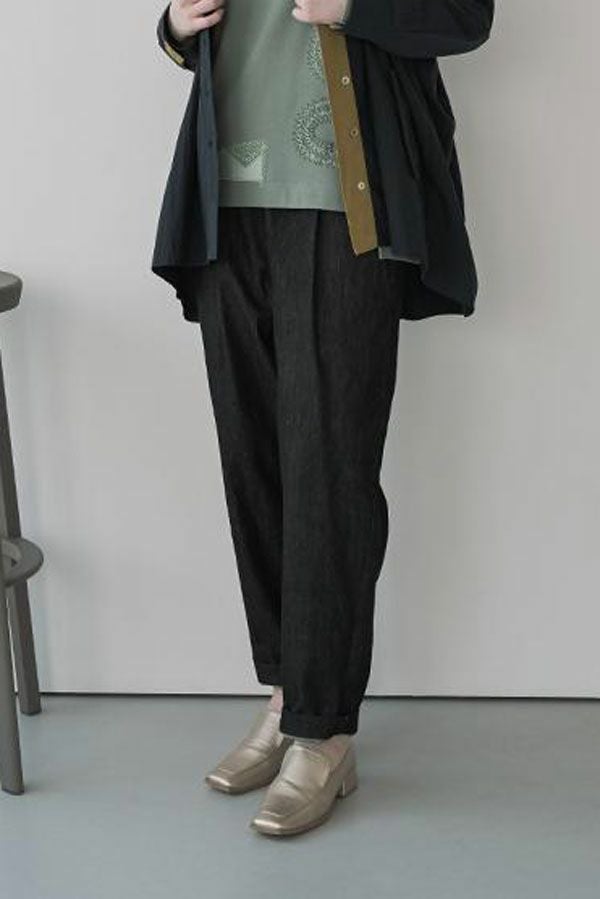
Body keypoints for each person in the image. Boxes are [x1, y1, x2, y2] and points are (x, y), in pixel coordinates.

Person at [152, 0, 494, 837]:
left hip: (345, 206)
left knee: (329, 466)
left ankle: (325, 731)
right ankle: (286, 695)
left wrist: (355, 8)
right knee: (255, 463)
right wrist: (174, 27)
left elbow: (466, 16)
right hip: (226, 199)